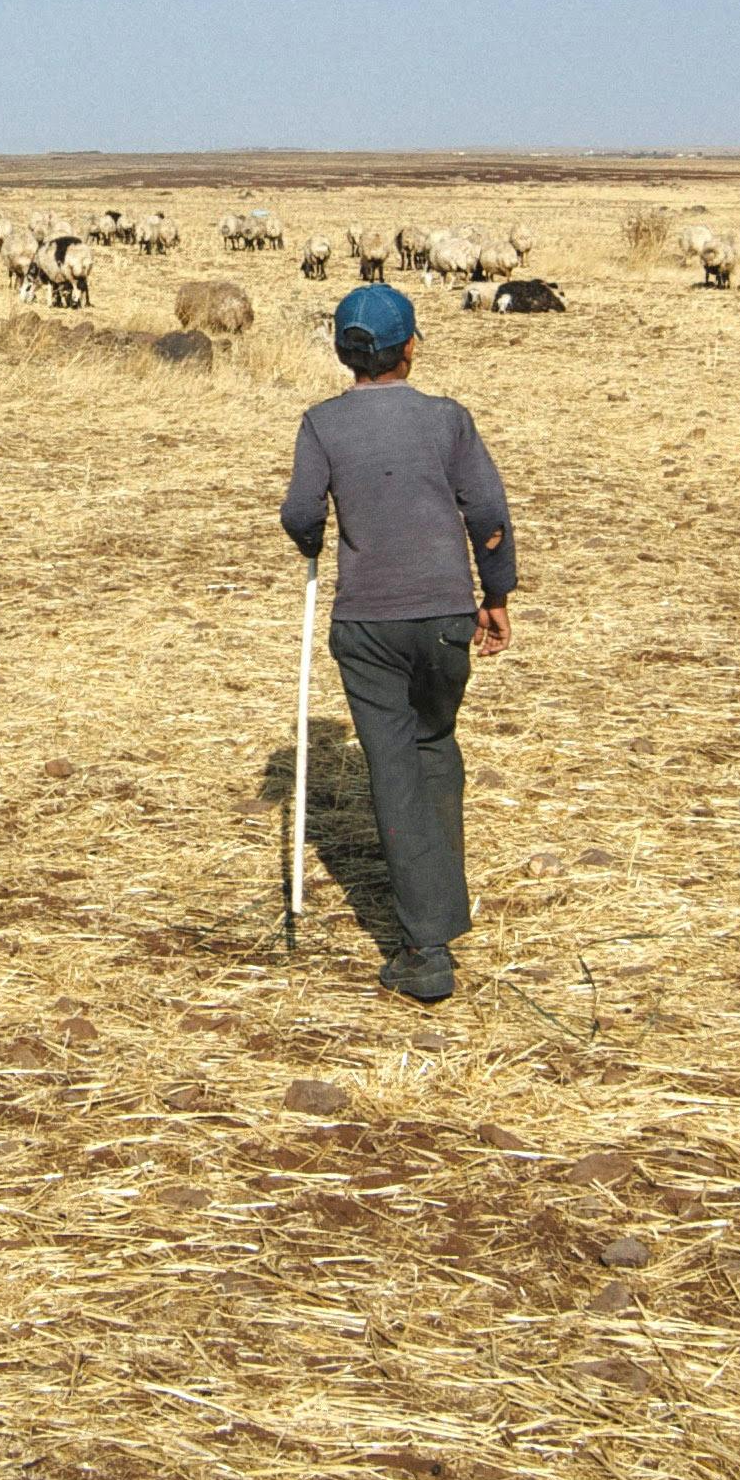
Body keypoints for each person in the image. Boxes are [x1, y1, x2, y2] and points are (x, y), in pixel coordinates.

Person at [279, 283, 518, 1005]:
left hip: (369, 625)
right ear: (410, 346)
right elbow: (488, 510)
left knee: (394, 770)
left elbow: (298, 510)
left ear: (342, 351)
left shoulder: (321, 424)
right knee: (434, 745)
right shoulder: (448, 421)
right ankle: (442, 908)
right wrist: (496, 595)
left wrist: (311, 535)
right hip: (446, 620)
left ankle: (426, 945)